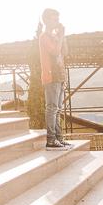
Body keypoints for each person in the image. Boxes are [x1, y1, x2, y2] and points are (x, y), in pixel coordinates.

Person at [37, 8, 71, 149]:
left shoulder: (56, 37)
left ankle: (59, 138)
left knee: (57, 110)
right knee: (51, 109)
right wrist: (60, 36)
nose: (57, 21)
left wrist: (62, 37)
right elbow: (55, 52)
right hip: (51, 77)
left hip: (59, 77)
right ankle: (51, 139)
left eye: (58, 19)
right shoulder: (44, 37)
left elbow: (64, 52)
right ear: (46, 20)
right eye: (54, 19)